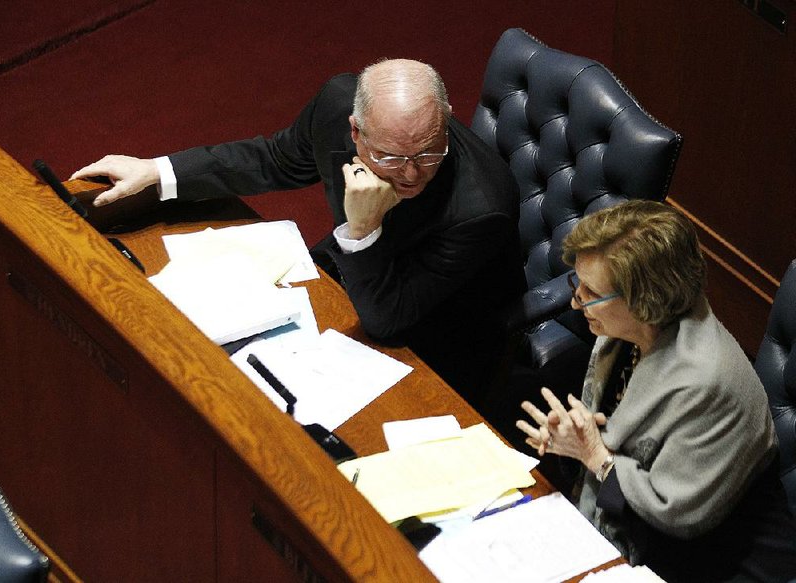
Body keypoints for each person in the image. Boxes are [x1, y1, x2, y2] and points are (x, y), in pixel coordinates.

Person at [71, 59, 526, 402]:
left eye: (428, 152)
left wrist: (363, 227)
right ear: (355, 130)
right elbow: (274, 160)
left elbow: (390, 317)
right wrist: (157, 171)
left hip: (436, 334)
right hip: (356, 278)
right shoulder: (335, 105)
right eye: (388, 156)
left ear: (446, 116)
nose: (408, 174)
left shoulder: (482, 208)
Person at [516, 200, 796, 582]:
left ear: (644, 301)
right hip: (640, 537)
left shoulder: (706, 383)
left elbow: (677, 515)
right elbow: (609, 443)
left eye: (590, 291)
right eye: (576, 283)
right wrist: (573, 441)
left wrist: (595, 455)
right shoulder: (624, 335)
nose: (576, 300)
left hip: (712, 563)